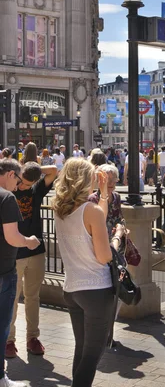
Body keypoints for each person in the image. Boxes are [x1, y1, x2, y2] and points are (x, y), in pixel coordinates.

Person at [52, 158, 125, 387]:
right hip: (96, 289)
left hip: (73, 289)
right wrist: (118, 237)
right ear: (85, 179)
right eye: (94, 176)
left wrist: (103, 193)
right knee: (92, 355)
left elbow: (93, 218)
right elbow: (104, 256)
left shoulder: (60, 208)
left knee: (82, 349)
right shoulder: (90, 210)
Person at [6, 161, 57, 358]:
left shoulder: (36, 190)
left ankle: (32, 338)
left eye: (27, 184)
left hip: (36, 251)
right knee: (12, 298)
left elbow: (53, 171)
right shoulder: (10, 190)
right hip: (15, 252)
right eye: (21, 182)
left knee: (33, 297)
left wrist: (33, 170)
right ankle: (8, 340)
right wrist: (21, 171)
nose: (22, 187)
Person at [0, 158, 40, 387]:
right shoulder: (7, 198)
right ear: (9, 174)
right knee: (2, 326)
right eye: (17, 180)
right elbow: (12, 237)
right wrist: (30, 241)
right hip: (4, 271)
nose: (17, 186)